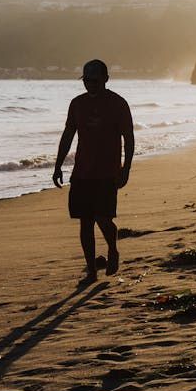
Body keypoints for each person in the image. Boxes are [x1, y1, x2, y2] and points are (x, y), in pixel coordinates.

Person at [52, 59, 135, 286]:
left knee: (103, 219)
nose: (90, 85)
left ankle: (112, 249)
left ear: (106, 79)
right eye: (86, 80)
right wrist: (58, 165)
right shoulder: (77, 104)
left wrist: (126, 168)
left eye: (94, 80)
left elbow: (129, 139)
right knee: (85, 222)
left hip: (107, 173)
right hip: (81, 173)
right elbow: (68, 135)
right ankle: (91, 270)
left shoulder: (118, 104)